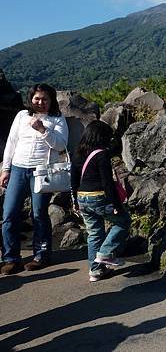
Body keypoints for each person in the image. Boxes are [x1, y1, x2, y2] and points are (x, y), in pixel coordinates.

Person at [1, 83, 69, 274]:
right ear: (31, 99)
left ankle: (41, 255)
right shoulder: (22, 116)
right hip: (18, 168)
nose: (40, 102)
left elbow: (61, 145)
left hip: (42, 171)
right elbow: (12, 142)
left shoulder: (57, 119)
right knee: (9, 214)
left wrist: (43, 130)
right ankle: (11, 258)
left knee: (38, 213)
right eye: (37, 98)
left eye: (45, 99)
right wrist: (5, 169)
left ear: (51, 100)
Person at [71, 120, 131, 282]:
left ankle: (96, 271)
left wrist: (75, 201)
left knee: (94, 233)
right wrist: (116, 205)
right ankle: (105, 253)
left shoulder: (77, 153)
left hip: (82, 197)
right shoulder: (101, 154)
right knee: (123, 221)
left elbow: (74, 179)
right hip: (98, 196)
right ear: (101, 137)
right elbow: (107, 182)